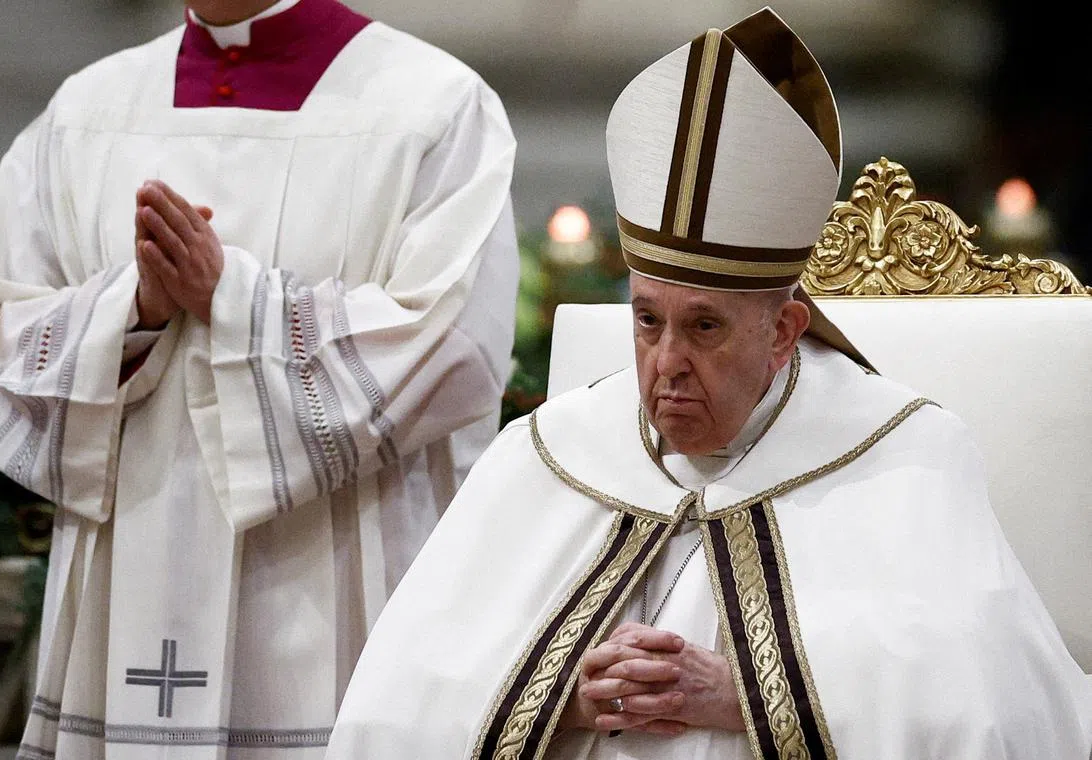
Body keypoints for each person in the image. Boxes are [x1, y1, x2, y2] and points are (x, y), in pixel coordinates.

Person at [323, 7, 1092, 759]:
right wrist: (559, 697)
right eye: (648, 321)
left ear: (785, 334)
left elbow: (993, 712)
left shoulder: (906, 455)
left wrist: (742, 693)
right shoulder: (547, 453)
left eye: (705, 328)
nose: (665, 365)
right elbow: (392, 709)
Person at [0, 0, 519, 756]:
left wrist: (234, 302)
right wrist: (134, 309)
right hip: (125, 577)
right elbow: (8, 334)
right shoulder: (88, 109)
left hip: (327, 600)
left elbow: (452, 345)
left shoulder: (434, 105)